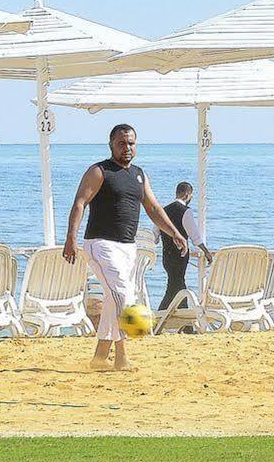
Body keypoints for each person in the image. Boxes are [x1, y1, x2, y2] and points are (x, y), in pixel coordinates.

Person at [63, 124, 192, 371]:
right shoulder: (99, 171)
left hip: (128, 247)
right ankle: (121, 356)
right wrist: (71, 238)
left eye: (131, 143)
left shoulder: (139, 175)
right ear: (111, 145)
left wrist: (175, 233)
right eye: (122, 143)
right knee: (122, 294)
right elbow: (80, 202)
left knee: (114, 299)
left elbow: (154, 209)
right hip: (100, 244)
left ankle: (100, 357)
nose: (127, 148)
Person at [156, 181, 211, 311]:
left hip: (166, 256)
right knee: (176, 286)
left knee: (176, 285)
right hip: (180, 256)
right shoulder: (186, 212)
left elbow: (155, 234)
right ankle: (160, 320)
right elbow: (194, 236)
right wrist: (206, 252)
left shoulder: (163, 211)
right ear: (187, 195)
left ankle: (184, 323)